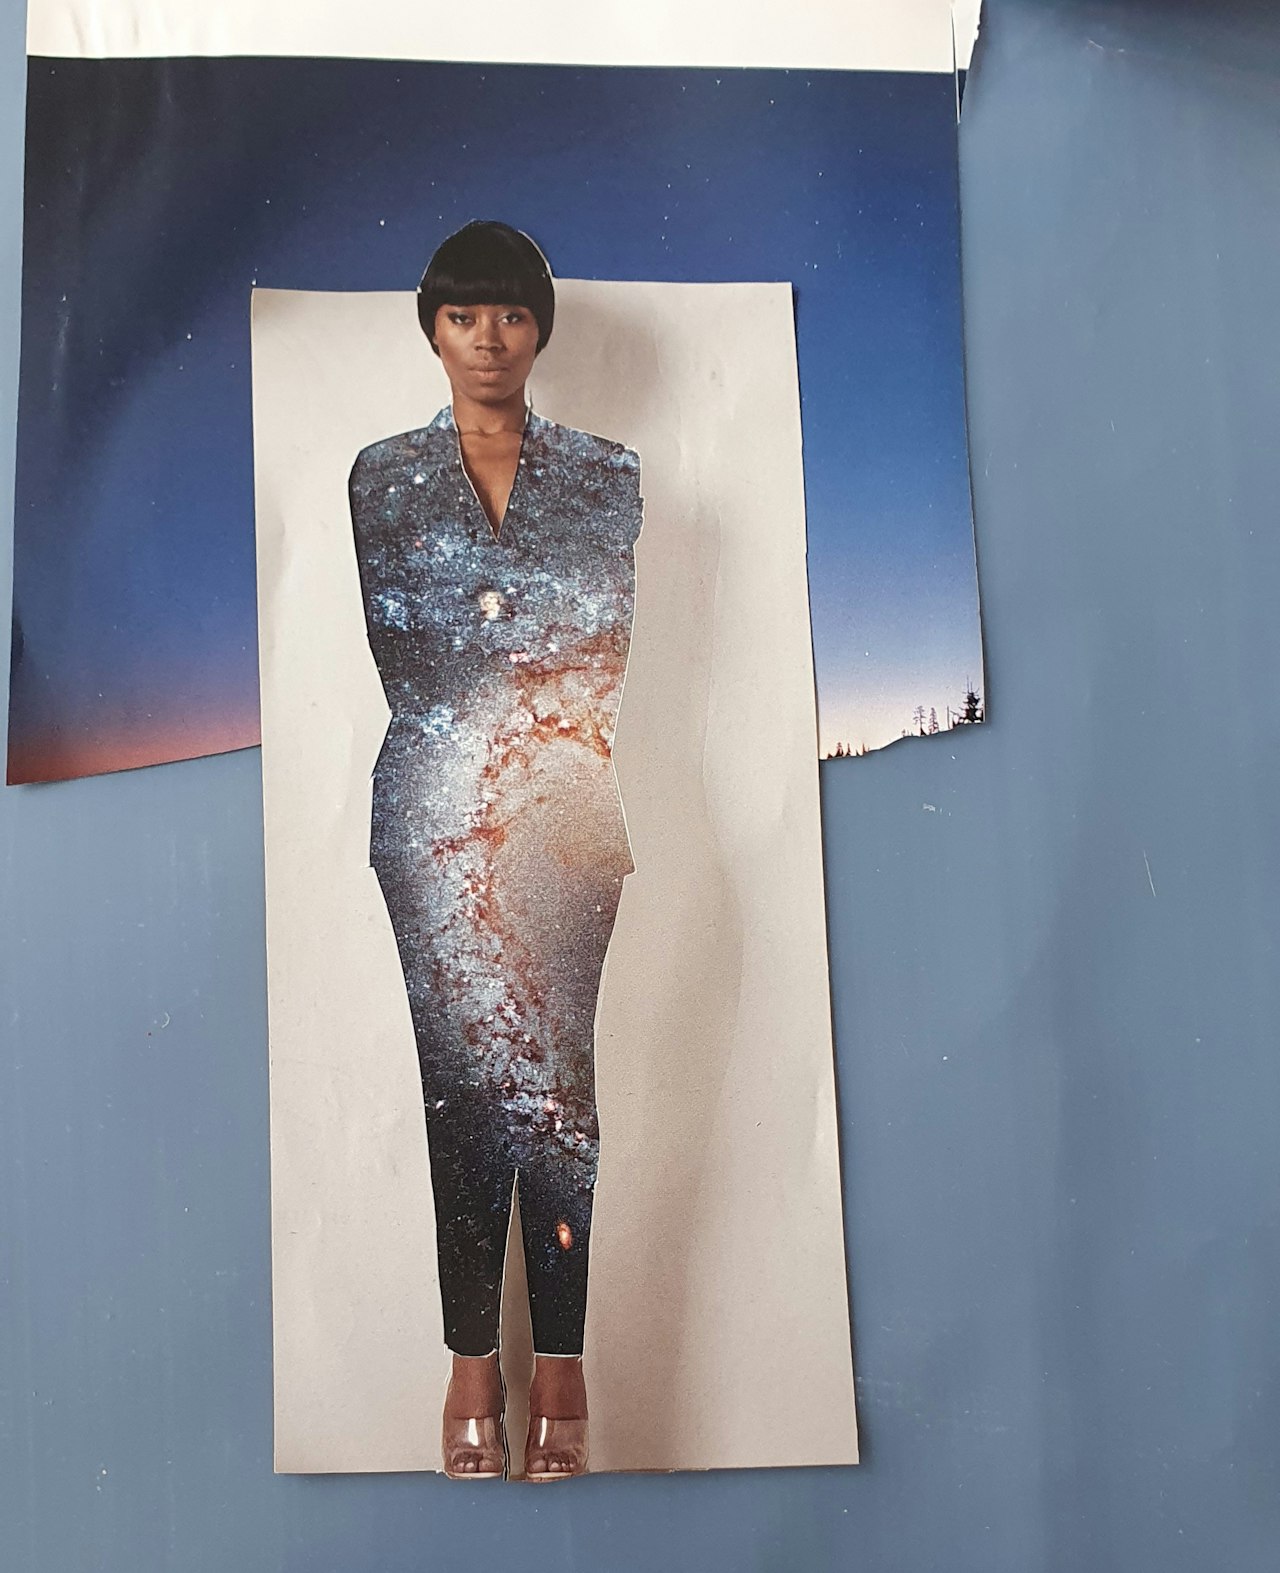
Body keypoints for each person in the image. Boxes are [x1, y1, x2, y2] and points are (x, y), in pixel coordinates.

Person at [348, 221, 642, 1480]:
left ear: (539, 329)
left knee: (557, 1090)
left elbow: (596, 648)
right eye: (463, 314)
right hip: (430, 820)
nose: (487, 338)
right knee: (460, 1089)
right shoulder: (380, 476)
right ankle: (473, 1355)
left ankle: (561, 1357)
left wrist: (508, 694)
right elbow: (405, 650)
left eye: (511, 314)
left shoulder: (607, 474)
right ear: (432, 327)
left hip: (567, 814)